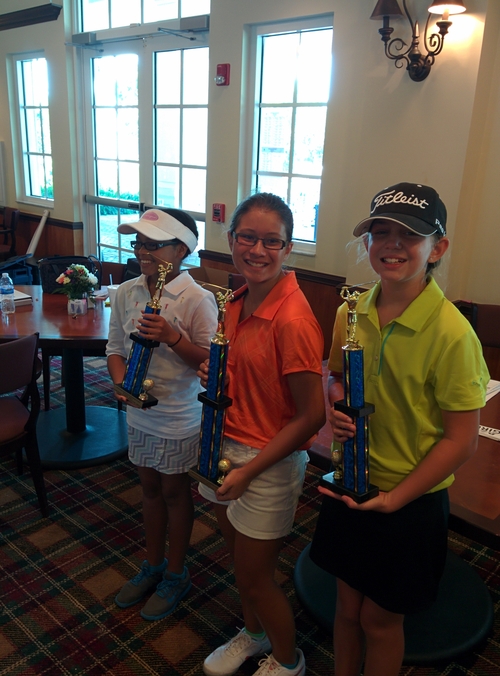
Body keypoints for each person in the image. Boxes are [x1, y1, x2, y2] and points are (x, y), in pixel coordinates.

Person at [310, 182, 490, 676]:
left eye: (409, 235)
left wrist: (396, 499)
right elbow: (336, 377)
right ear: (367, 243)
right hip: (352, 485)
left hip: (410, 501)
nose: (392, 244)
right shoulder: (352, 312)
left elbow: (462, 440)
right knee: (346, 610)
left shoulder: (452, 333)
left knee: (380, 621)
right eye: (380, 232)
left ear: (438, 248)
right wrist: (338, 402)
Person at [198, 193, 326, 676]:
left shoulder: (292, 319)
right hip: (226, 446)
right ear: (231, 240)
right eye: (247, 237)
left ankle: (288, 661)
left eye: (271, 241)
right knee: (239, 561)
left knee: (257, 579)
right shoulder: (237, 299)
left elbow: (311, 416)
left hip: (266, 461)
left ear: (287, 248)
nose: (257, 249)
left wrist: (250, 470)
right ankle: (253, 636)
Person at [106, 208, 218, 621]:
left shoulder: (197, 299)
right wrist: (122, 385)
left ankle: (175, 572)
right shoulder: (127, 291)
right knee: (149, 490)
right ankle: (152, 565)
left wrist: (172, 337)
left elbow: (210, 362)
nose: (143, 251)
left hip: (178, 415)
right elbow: (115, 347)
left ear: (182, 248)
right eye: (139, 243)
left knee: (174, 493)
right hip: (139, 414)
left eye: (154, 244)